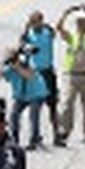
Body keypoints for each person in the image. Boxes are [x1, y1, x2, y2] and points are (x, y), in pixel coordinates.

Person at [57, 4, 85, 145]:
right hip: (72, 75)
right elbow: (59, 27)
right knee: (67, 103)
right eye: (78, 22)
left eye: (83, 22)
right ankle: (64, 130)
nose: (80, 25)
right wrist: (66, 13)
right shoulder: (72, 37)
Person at [0, 47, 48, 150]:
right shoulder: (9, 68)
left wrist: (17, 67)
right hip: (21, 96)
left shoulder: (27, 63)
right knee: (14, 115)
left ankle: (34, 140)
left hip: (36, 93)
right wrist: (2, 63)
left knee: (33, 115)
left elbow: (29, 76)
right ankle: (14, 139)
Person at [22, 11, 60, 145]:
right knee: (35, 107)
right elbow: (21, 46)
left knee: (53, 106)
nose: (35, 24)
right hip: (35, 73)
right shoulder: (28, 34)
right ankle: (34, 136)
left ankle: (57, 135)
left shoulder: (48, 31)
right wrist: (26, 32)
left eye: (37, 21)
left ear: (42, 21)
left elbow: (54, 33)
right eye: (32, 22)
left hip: (48, 72)